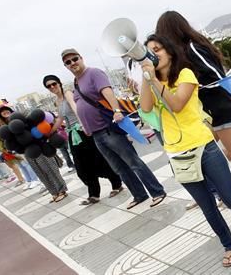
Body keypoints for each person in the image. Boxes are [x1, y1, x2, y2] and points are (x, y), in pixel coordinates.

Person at [139, 34, 231, 267]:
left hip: (204, 146)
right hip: (177, 154)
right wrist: (146, 77)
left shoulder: (186, 74)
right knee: (208, 208)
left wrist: (154, 80)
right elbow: (146, 107)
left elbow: (176, 104)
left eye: (158, 49)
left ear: (170, 51)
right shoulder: (152, 82)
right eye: (149, 51)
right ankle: (229, 245)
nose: (154, 54)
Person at [155, 11, 231, 219]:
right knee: (209, 153)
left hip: (219, 109)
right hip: (206, 114)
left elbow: (217, 77)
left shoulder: (192, 49)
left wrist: (194, 86)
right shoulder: (186, 50)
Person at [62, 48, 167, 209]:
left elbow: (107, 92)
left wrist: (116, 110)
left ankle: (157, 191)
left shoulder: (93, 73)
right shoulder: (77, 82)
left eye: (74, 59)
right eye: (68, 62)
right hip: (96, 134)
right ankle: (139, 194)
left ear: (81, 57)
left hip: (108, 128)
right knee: (119, 167)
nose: (72, 63)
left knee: (133, 162)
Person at [44, 74, 124, 206]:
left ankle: (116, 184)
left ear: (59, 83)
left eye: (54, 84)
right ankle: (94, 194)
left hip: (82, 131)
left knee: (98, 160)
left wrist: (84, 125)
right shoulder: (57, 101)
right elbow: (60, 119)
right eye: (49, 86)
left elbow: (76, 109)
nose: (52, 87)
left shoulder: (68, 94)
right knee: (81, 168)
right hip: (72, 135)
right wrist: (49, 132)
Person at [0, 105, 67, 202]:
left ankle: (61, 190)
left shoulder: (23, 119)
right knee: (40, 173)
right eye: (3, 114)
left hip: (40, 147)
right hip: (28, 152)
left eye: (7, 112)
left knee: (50, 169)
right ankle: (54, 192)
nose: (6, 115)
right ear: (1, 117)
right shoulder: (7, 128)